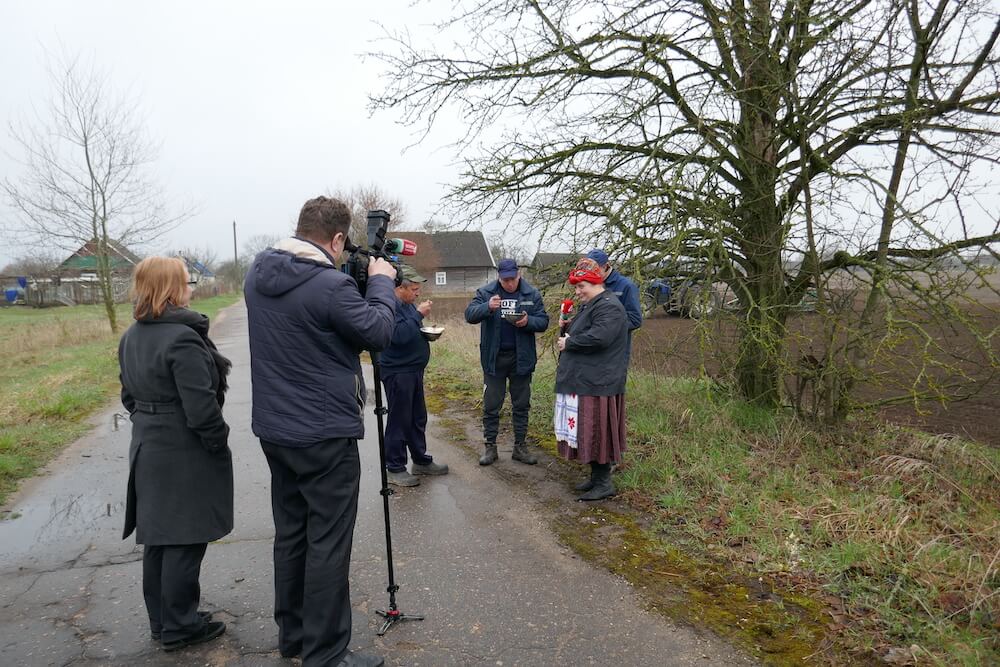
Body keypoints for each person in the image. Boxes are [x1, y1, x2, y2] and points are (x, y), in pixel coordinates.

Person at [244, 196, 394, 667]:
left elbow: (314, 326)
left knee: (291, 534)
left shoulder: (257, 275)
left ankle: (294, 636)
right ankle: (326, 652)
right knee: (328, 541)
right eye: (341, 246)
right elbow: (378, 332)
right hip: (323, 433)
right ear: (334, 239)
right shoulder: (328, 286)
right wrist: (381, 284)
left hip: (276, 429)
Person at [118, 256, 232, 651]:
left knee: (160, 540)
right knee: (184, 538)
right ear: (170, 288)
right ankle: (181, 627)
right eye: (185, 282)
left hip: (148, 446)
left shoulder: (132, 334)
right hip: (182, 450)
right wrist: (219, 441)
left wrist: (151, 420)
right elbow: (201, 409)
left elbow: (128, 396)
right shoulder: (181, 338)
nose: (191, 288)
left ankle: (164, 620)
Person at [554, 257, 629, 501]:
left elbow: (599, 337)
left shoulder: (609, 306)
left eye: (581, 286)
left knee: (598, 431)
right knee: (590, 430)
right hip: (588, 380)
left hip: (599, 382)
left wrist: (570, 341)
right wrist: (567, 326)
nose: (577, 292)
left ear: (595, 283)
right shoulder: (594, 304)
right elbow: (586, 331)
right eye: (576, 287)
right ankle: (596, 478)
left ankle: (604, 483)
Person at [464, 258, 549, 466]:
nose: (509, 283)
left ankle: (520, 447)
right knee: (491, 405)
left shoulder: (532, 294)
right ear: (499, 277)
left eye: (512, 279)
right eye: (505, 280)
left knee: (521, 405)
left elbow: (544, 321)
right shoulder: (486, 293)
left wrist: (528, 322)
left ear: (519, 275)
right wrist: (488, 307)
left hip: (522, 358)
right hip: (494, 358)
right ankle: (490, 448)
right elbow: (469, 315)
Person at [378, 264, 449, 487]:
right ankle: (395, 467)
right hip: (397, 371)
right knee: (399, 420)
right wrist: (419, 315)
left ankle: (420, 460)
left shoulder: (407, 304)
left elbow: (411, 330)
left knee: (417, 417)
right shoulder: (388, 306)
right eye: (414, 289)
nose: (418, 293)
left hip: (413, 369)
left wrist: (424, 330)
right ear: (400, 287)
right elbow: (397, 336)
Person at [586, 248, 642, 345]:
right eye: (589, 269)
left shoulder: (626, 286)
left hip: (615, 349)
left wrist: (605, 327)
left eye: (595, 269)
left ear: (605, 266)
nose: (591, 273)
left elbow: (635, 320)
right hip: (593, 344)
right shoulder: (591, 285)